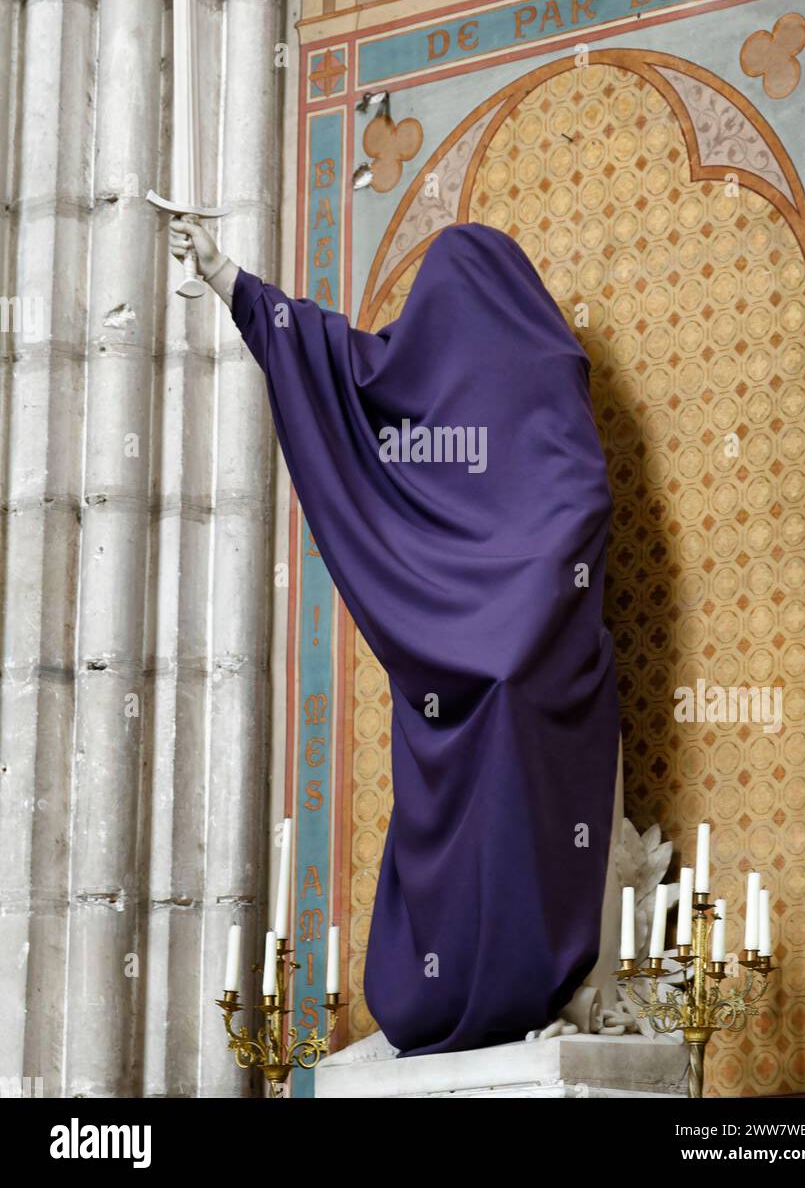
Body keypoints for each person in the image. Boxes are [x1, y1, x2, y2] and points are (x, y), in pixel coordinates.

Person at [171, 215, 621, 1057]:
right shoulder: (448, 379)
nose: (429, 325)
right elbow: (353, 370)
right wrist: (230, 279)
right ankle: (454, 985)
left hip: (546, 654)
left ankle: (525, 979)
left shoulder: (545, 371)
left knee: (518, 737)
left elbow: (581, 498)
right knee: (470, 726)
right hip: (465, 660)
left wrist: (523, 612)